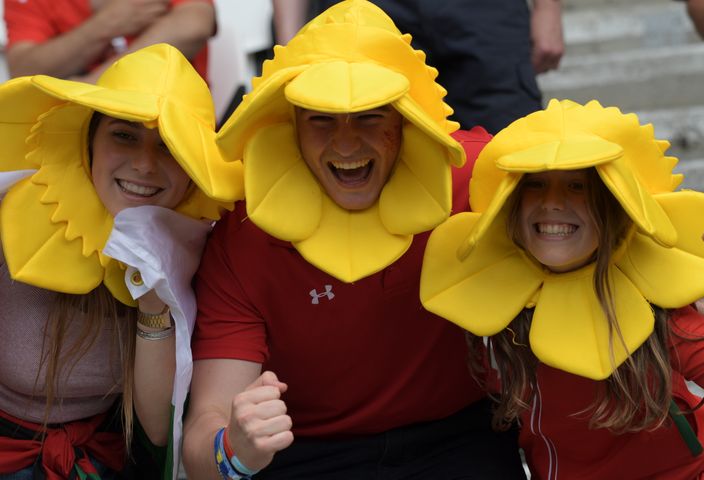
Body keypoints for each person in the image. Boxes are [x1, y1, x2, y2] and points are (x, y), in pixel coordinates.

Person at [182, 1, 527, 479]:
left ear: (406, 122)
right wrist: (235, 450)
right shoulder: (244, 235)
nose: (346, 144)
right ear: (290, 126)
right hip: (309, 449)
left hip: (459, 436)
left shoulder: (470, 177)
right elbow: (205, 430)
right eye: (321, 119)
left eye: (369, 116)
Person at [420, 98, 704, 479]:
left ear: (615, 206)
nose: (552, 203)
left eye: (578, 185)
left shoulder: (654, 308)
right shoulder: (500, 305)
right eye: (535, 185)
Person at [0, 43, 242, 479]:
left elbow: (155, 427)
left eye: (169, 146)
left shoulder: (202, 250)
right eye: (124, 134)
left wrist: (155, 303)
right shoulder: (9, 211)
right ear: (88, 140)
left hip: (101, 459)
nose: (145, 164)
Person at [272, 0, 564, 133]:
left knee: (511, 147)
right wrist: (290, 48)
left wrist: (548, 7)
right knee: (363, 150)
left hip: (483, 11)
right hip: (364, 9)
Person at [2, 0, 216, 84]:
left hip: (173, 126)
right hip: (75, 139)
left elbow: (195, 25)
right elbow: (23, 71)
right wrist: (107, 23)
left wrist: (95, 84)